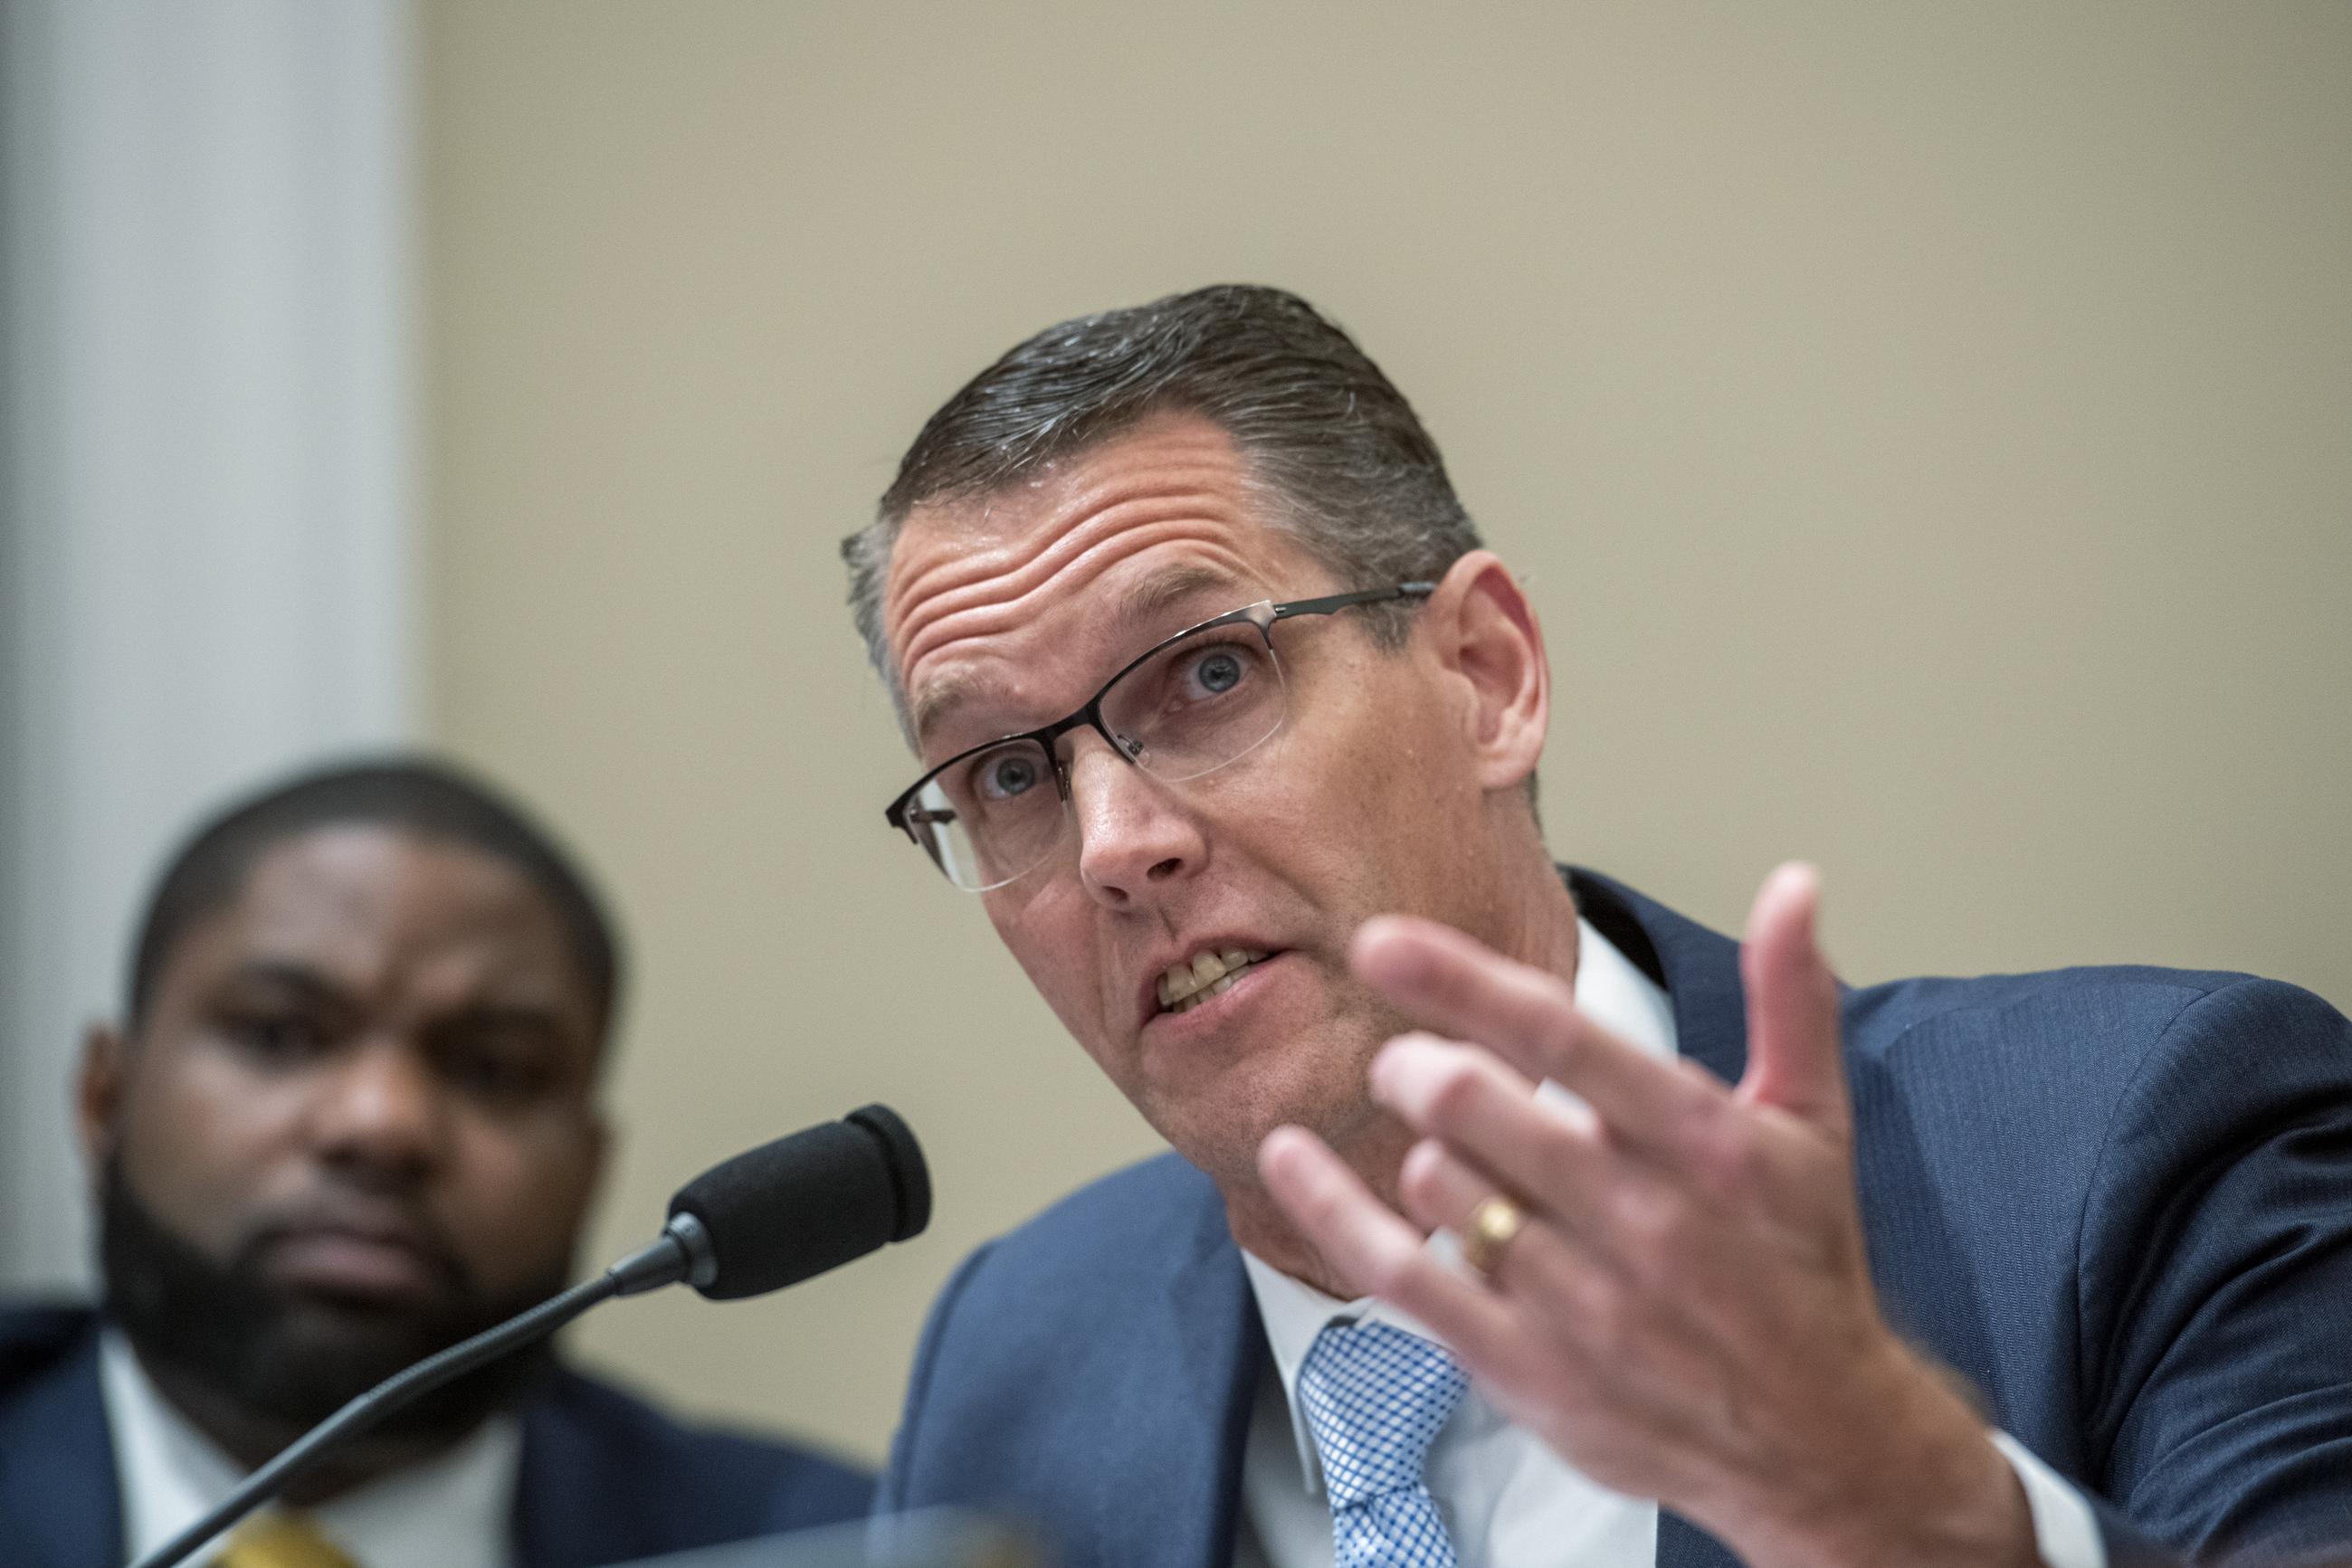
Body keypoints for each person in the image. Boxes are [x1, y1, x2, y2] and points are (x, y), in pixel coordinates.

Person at [844, 285, 2352, 1568]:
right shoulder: (1017, 1357)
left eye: (1210, 675)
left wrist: (1902, 1507)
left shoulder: (2136, 1146)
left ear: (1485, 672)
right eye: (1005, 772)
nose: (1116, 844)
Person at [0, 760, 873, 1568]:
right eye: (281, 1034)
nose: (385, 1122)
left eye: (495, 1069)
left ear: (590, 1171)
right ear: (105, 1102)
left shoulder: (825, 1548)